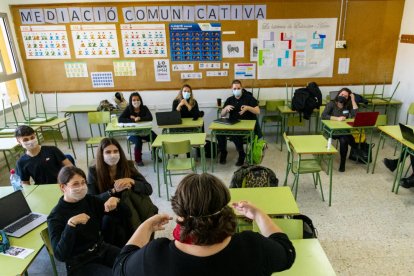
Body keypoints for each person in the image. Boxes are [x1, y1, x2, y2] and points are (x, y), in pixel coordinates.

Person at [113, 173, 295, 276]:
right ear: (224, 209)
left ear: (180, 213)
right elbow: (287, 252)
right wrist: (258, 214)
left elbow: (120, 267)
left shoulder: (155, 256)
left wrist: (146, 226)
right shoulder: (253, 247)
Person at [48, 166, 123, 276]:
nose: (81, 187)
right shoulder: (56, 216)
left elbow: (125, 214)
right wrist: (71, 225)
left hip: (100, 249)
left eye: (83, 182)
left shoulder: (89, 200)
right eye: (75, 184)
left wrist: (116, 201)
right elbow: (60, 255)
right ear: (63, 187)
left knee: (132, 260)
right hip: (80, 263)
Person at [87, 137, 156, 246]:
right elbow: (91, 200)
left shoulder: (127, 165)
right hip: (108, 209)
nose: (112, 155)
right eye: (108, 152)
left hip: (129, 206)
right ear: (101, 154)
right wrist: (112, 192)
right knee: (112, 222)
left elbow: (148, 189)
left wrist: (132, 181)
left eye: (115, 151)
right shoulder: (93, 171)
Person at [217, 80, 261, 166]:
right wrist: (225, 108)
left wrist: (248, 108)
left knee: (235, 135)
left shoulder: (249, 98)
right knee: (219, 133)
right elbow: (222, 115)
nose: (237, 90)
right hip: (233, 125)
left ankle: (241, 154)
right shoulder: (229, 99)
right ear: (232, 89)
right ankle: (223, 152)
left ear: (241, 88)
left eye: (238, 88)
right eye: (235, 88)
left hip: (246, 127)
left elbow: (258, 111)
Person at [321, 88, 359, 172]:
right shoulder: (331, 104)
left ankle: (342, 164)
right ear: (338, 94)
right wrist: (337, 118)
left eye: (345, 96)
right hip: (332, 130)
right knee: (345, 136)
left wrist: (353, 99)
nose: (343, 97)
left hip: (343, 130)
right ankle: (356, 148)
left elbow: (356, 115)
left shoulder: (347, 105)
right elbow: (323, 116)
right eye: (342, 95)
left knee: (343, 140)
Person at [118, 92, 158, 166]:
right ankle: (138, 160)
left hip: (144, 132)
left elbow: (150, 117)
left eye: (137, 99)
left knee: (155, 137)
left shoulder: (144, 108)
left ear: (140, 100)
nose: (136, 101)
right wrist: (133, 120)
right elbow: (120, 119)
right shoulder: (128, 109)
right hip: (132, 133)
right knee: (138, 141)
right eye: (134, 100)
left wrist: (139, 118)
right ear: (131, 101)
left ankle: (154, 155)